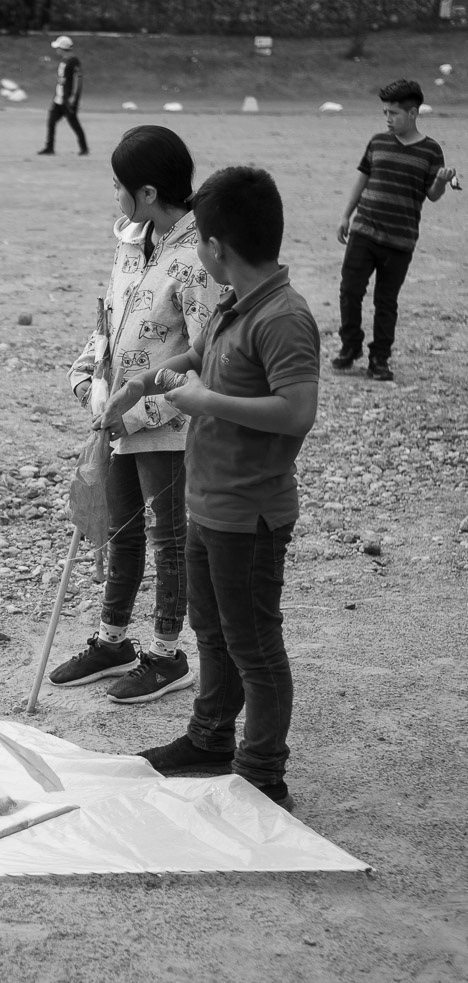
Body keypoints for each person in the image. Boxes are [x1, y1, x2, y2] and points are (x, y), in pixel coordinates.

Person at [98, 166, 320, 812]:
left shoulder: (283, 317)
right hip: (210, 503)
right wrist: (149, 380)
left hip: (249, 514)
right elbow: (199, 356)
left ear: (218, 247)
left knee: (254, 643)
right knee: (213, 630)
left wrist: (205, 403)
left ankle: (262, 770)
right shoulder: (234, 301)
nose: (196, 252)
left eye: (200, 241)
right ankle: (210, 738)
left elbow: (297, 410)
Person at [55, 126, 224, 704]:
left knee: (168, 540)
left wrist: (140, 409)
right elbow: (110, 321)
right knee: (122, 534)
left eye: (119, 186)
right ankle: (113, 639)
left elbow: (204, 363)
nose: (115, 195)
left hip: (168, 430)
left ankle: (165, 653)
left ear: (148, 191)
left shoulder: (198, 258)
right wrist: (87, 374)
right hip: (117, 419)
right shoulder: (131, 240)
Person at [333, 79, 457, 381]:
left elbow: (433, 194)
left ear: (413, 113)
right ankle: (351, 346)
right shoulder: (377, 142)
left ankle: (380, 359)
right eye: (385, 113)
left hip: (400, 240)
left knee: (385, 302)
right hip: (364, 231)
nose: (388, 119)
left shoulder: (430, 150)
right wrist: (346, 215)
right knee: (350, 290)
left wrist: (441, 180)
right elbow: (362, 180)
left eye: (394, 113)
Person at [38, 35, 87, 156]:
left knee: (74, 123)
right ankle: (49, 147)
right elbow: (63, 78)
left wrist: (73, 97)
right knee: (51, 121)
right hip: (59, 98)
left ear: (63, 48)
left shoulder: (74, 61)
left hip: (67, 99)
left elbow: (77, 80)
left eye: (58, 47)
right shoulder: (64, 60)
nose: (56, 50)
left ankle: (84, 148)